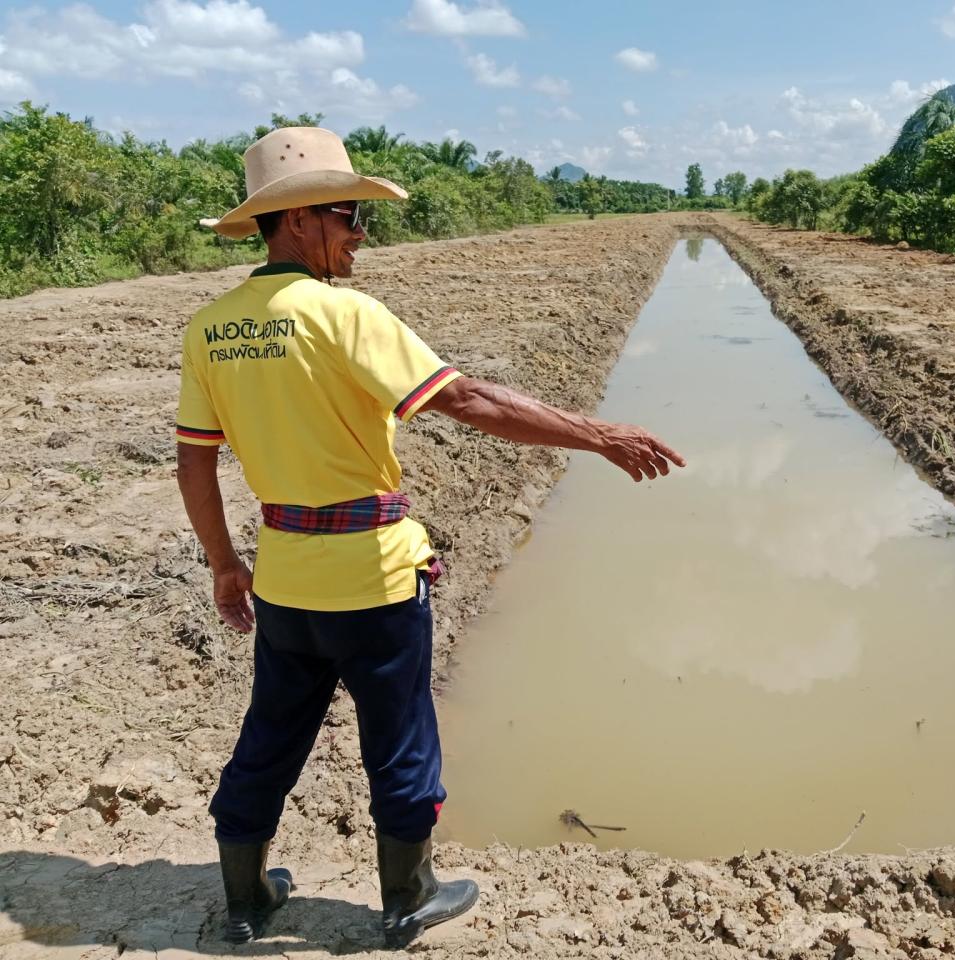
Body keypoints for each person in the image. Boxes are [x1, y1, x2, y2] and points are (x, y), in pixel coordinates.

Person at [177, 126, 683, 947]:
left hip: (284, 579)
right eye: (349, 217)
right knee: (401, 739)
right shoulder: (345, 315)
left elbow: (193, 466)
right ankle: (408, 897)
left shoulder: (210, 327)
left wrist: (224, 564)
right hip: (372, 579)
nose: (359, 236)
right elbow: (469, 400)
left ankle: (243, 898)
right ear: (300, 221)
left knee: (270, 732)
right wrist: (597, 434)